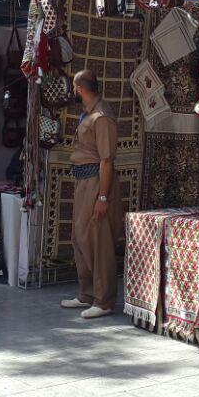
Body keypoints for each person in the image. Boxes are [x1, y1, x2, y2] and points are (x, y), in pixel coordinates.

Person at [60, 70, 124, 320]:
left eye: (73, 88)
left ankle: (104, 299)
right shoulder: (88, 114)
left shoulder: (102, 117)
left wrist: (103, 197)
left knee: (99, 241)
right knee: (81, 238)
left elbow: (106, 160)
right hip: (83, 182)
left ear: (79, 88)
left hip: (96, 183)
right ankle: (87, 293)